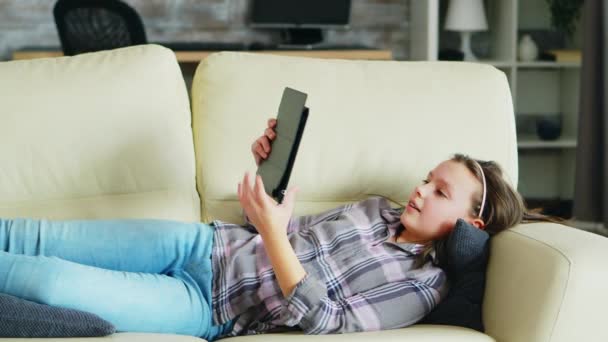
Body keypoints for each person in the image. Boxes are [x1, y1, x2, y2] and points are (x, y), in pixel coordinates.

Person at [0, 118, 550, 341]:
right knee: (38, 236)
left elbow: (326, 321)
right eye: (427, 179)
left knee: (50, 284)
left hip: (207, 303)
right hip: (205, 241)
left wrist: (275, 233)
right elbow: (279, 227)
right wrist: (273, 181)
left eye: (439, 192)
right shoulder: (373, 208)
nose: (421, 190)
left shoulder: (423, 284)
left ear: (470, 225)